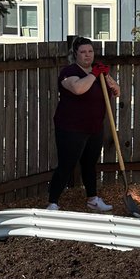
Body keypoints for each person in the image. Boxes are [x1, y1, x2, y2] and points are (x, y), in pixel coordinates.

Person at [46, 36, 120, 213]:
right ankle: (52, 202)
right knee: (67, 165)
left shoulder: (98, 72)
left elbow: (116, 91)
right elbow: (79, 89)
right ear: (75, 54)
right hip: (71, 128)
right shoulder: (69, 72)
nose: (87, 55)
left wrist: (110, 81)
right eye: (83, 52)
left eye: (90, 51)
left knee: (90, 164)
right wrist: (94, 74)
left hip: (94, 127)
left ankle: (92, 199)